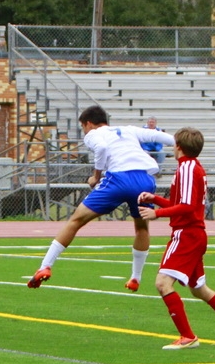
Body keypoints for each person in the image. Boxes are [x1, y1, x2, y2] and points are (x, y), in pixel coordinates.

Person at [28, 105, 175, 292]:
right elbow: (159, 136)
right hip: (144, 179)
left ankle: (45, 266)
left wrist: (96, 176)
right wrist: (180, 145)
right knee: (141, 228)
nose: (84, 131)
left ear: (88, 123)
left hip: (119, 179)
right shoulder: (128, 130)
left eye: (83, 127)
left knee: (76, 220)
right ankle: (135, 277)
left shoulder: (94, 134)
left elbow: (102, 147)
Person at [137, 127, 215, 349]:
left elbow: (187, 206)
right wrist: (156, 200)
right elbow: (181, 204)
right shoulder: (191, 167)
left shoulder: (188, 167)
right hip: (194, 234)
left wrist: (156, 214)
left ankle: (188, 337)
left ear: (179, 146)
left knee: (162, 283)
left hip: (187, 234)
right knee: (199, 289)